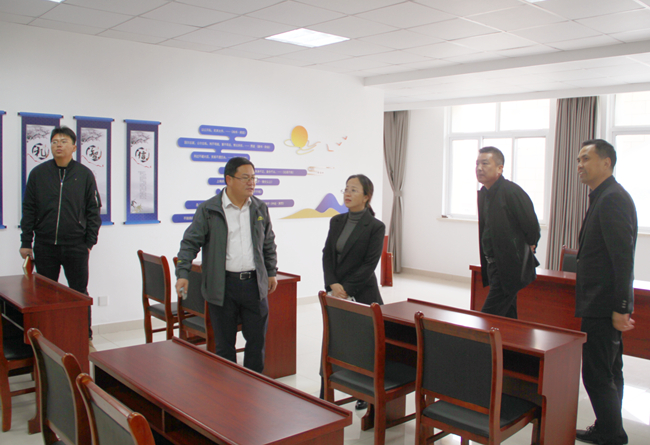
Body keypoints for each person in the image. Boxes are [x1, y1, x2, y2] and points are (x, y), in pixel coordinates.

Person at [175, 157, 278, 373]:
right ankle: (228, 389)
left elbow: (268, 243)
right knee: (224, 346)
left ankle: (254, 386)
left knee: (257, 343)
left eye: (253, 178)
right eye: (245, 178)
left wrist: (271, 272)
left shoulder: (259, 208)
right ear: (229, 179)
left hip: (254, 285)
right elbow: (190, 242)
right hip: (223, 286)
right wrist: (182, 273)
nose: (251, 182)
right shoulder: (209, 209)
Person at [575, 140, 636, 445]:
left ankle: (611, 434)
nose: (580, 165)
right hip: (599, 302)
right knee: (610, 370)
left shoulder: (613, 199)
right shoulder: (604, 195)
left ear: (606, 162)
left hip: (602, 304)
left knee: (597, 374)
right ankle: (609, 428)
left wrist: (622, 307)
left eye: (586, 159)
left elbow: (622, 259)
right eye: (578, 159)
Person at [20, 126, 101, 341]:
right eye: (55, 141)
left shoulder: (84, 174)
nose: (58, 145)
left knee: (79, 293)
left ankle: (84, 337)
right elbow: (29, 209)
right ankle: (47, 339)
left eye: (64, 141)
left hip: (76, 245)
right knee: (44, 295)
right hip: (45, 245)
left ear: (74, 147)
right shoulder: (38, 174)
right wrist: (26, 241)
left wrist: (89, 243)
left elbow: (93, 210)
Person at [321, 174, 385, 409]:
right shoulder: (337, 221)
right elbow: (327, 254)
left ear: (367, 197)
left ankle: (364, 394)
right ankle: (325, 392)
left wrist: (346, 288)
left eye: (354, 190)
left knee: (363, 346)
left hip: (363, 294)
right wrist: (332, 283)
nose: (347, 194)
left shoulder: (375, 226)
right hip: (336, 292)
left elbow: (369, 265)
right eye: (346, 189)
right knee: (333, 342)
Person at [476, 146, 540, 319]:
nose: (479, 168)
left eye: (485, 163)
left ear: (500, 168)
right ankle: (509, 337)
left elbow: (531, 225)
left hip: (509, 266)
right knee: (507, 315)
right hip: (494, 264)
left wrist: (531, 243)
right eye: (477, 164)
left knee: (487, 318)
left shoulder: (511, 191)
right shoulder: (486, 193)